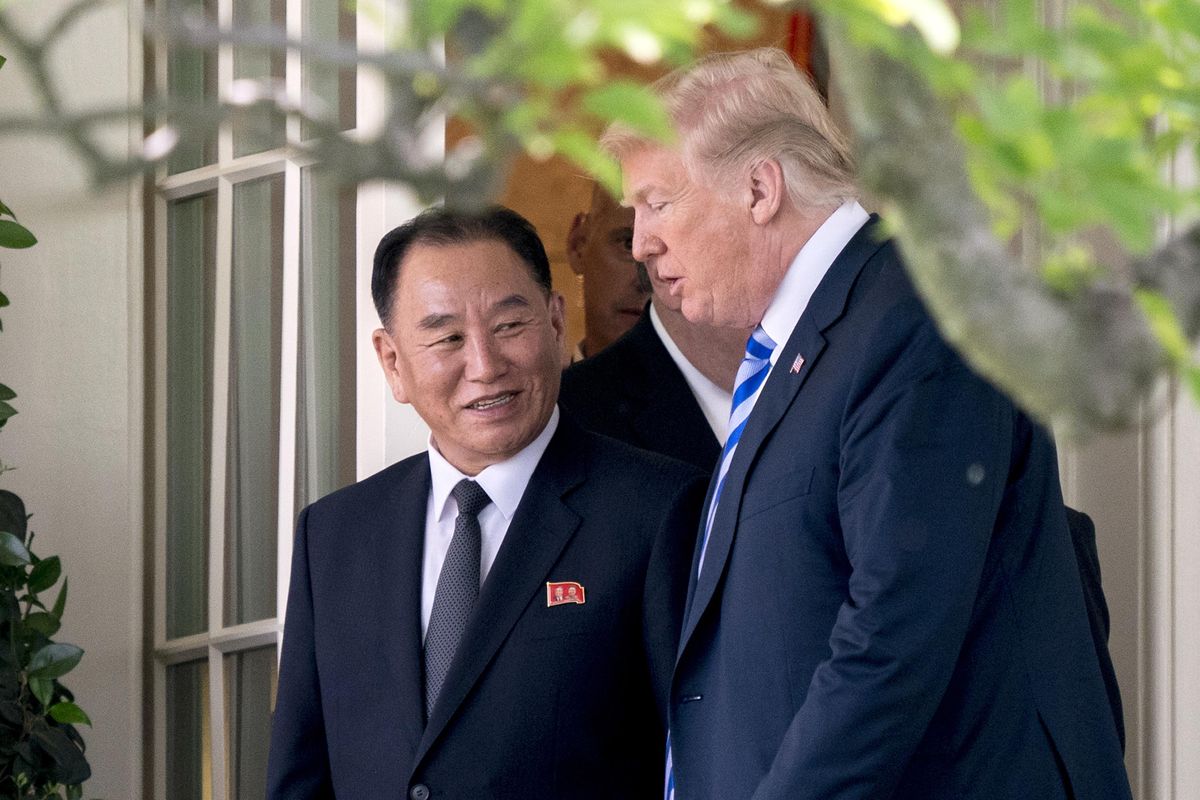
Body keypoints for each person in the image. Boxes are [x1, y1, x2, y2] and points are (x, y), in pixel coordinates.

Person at [604, 48, 1131, 800]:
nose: (639, 243)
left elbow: (894, 634)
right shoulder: (819, 337)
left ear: (760, 188)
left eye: (656, 202)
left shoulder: (917, 314)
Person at [265, 206, 706, 800]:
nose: (485, 366)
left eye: (508, 326)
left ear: (554, 324)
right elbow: (302, 780)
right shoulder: (336, 536)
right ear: (393, 362)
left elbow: (704, 760)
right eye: (447, 337)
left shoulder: (660, 511)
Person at [560, 185, 749, 472]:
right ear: (578, 244)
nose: (648, 271)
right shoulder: (555, 418)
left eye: (675, 241)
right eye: (626, 242)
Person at [566, 182, 652, 360]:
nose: (647, 282)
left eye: (671, 254)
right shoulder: (544, 388)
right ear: (579, 245)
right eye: (629, 244)